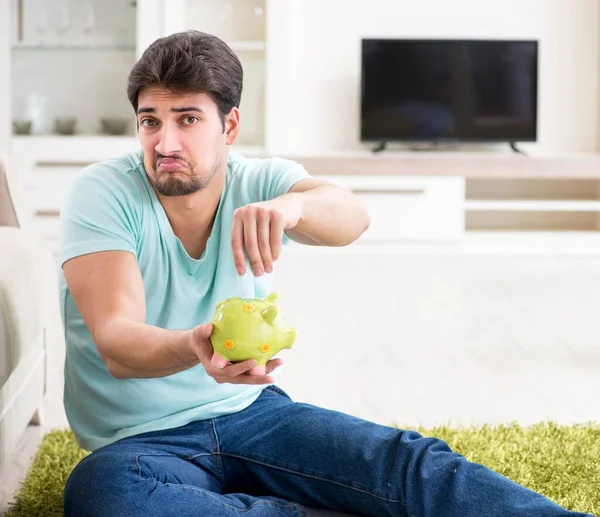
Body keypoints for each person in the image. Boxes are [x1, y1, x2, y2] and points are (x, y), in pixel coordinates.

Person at [59, 30, 591, 517]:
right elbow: (117, 344)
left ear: (231, 124)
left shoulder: (262, 179)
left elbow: (351, 217)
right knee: (101, 494)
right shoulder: (104, 192)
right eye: (151, 120)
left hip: (252, 413)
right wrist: (197, 344)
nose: (165, 143)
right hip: (138, 444)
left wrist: (295, 208)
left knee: (402, 460)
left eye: (188, 119)